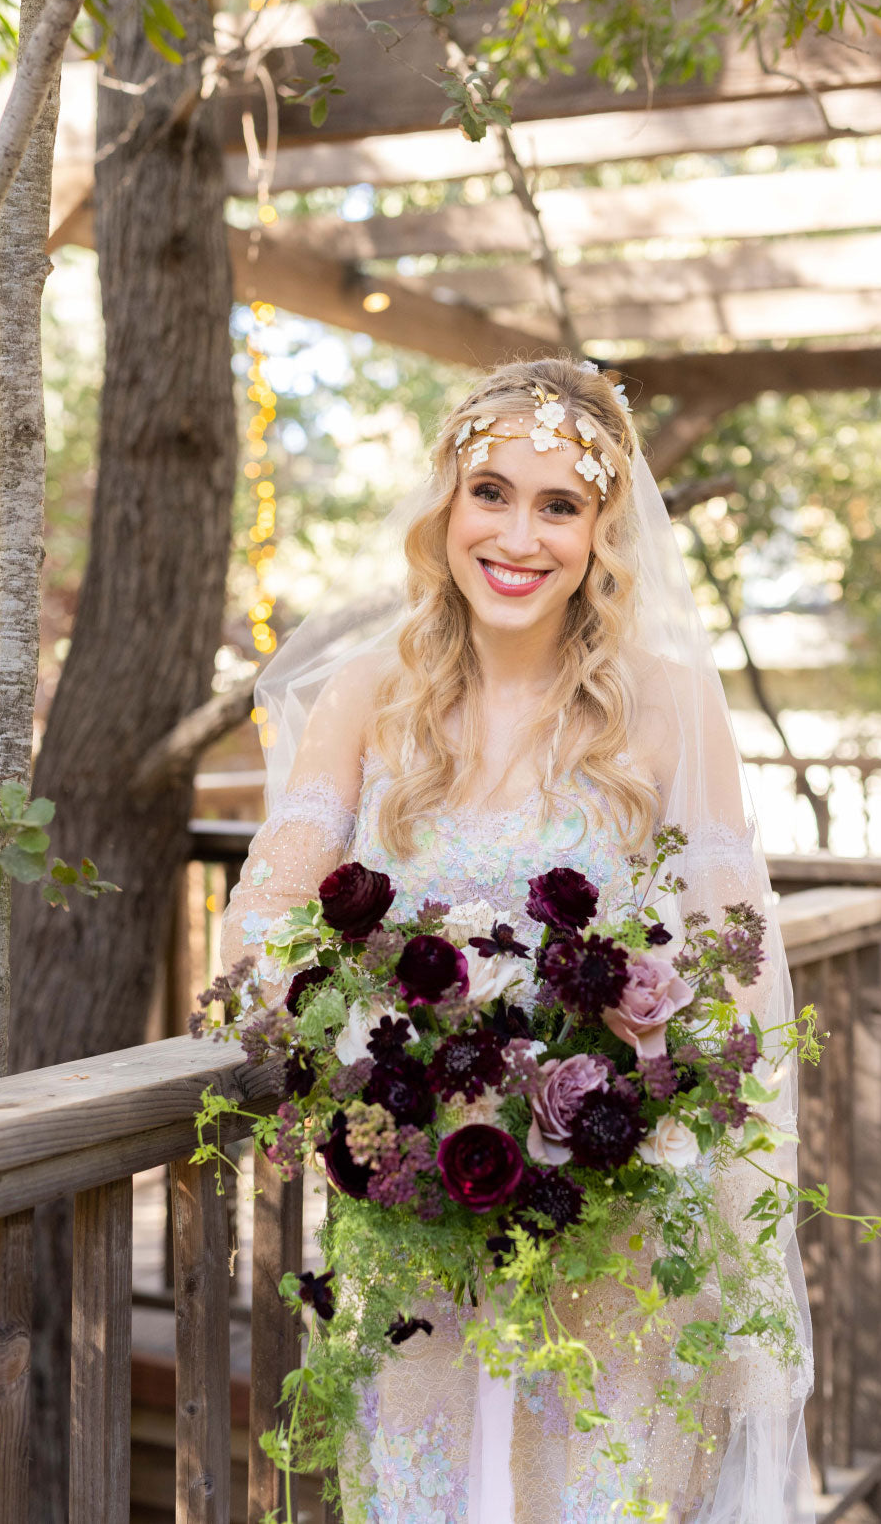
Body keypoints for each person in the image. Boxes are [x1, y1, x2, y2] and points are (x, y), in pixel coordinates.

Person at [220, 357, 814, 1524]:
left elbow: (729, 969)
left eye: (561, 505)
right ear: (445, 500)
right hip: (413, 1222)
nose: (519, 535)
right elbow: (260, 935)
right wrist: (374, 1071)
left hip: (607, 1224)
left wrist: (628, 1089)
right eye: (492, 490)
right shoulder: (363, 693)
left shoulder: (670, 703)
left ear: (604, 530)